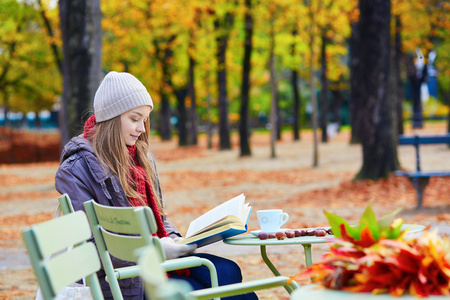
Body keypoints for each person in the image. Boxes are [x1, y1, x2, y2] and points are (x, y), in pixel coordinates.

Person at [55, 71, 258, 300]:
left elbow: (159, 219)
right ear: (111, 118)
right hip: (125, 278)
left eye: (144, 119)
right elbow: (91, 247)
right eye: (134, 118)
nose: (142, 128)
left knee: (229, 271)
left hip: (156, 262)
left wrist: (176, 240)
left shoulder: (141, 158)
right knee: (217, 290)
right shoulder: (76, 169)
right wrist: (154, 250)